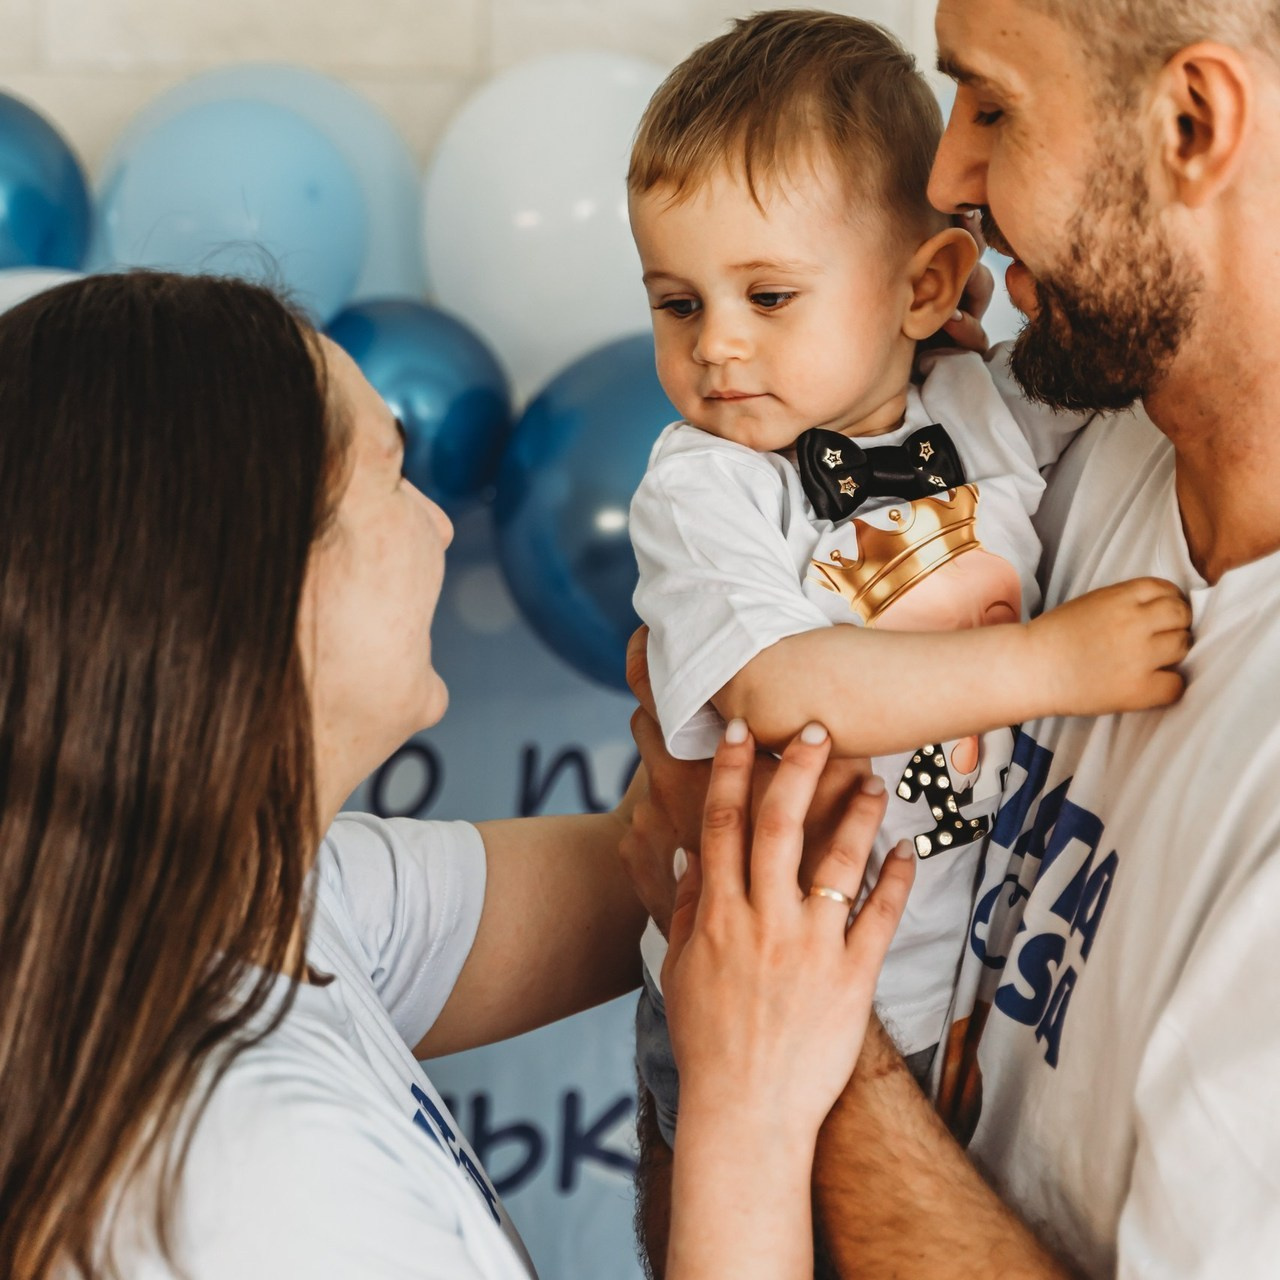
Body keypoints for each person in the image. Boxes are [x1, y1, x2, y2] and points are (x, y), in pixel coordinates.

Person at [0, 270, 915, 1280]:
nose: (439, 523)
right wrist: (748, 1107)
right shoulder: (260, 1186)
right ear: (261, 579)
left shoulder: (256, 898)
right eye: (391, 478)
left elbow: (646, 867)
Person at [626, 0, 1280, 1274]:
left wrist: (790, 1026)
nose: (945, 176)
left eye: (990, 105)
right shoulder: (1093, 446)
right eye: (675, 301)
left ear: (1192, 122)